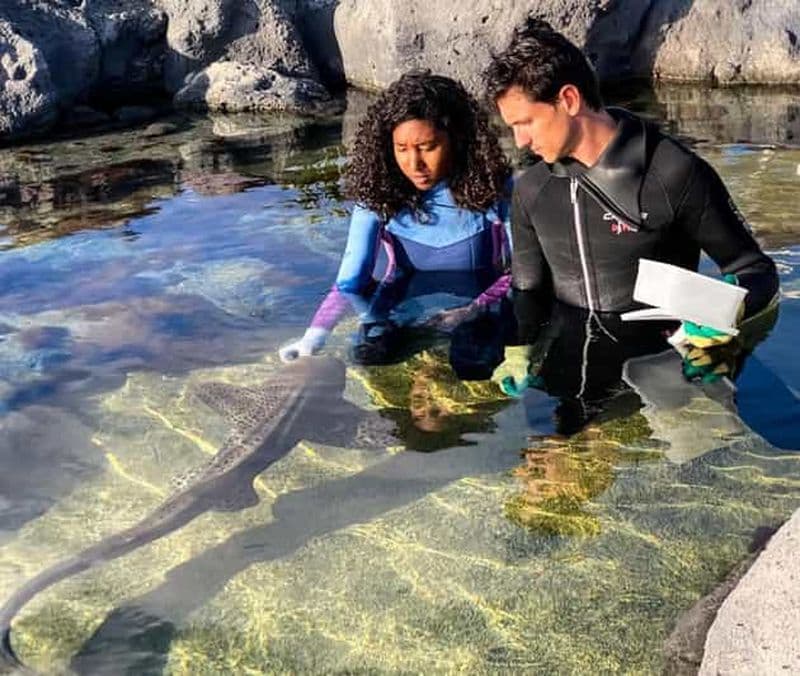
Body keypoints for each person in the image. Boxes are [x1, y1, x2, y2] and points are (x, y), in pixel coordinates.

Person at [483, 18, 779, 382]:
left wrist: (729, 312)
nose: (520, 141)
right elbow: (527, 291)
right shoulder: (531, 189)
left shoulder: (674, 173)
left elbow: (756, 271)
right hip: (566, 373)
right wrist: (520, 349)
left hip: (667, 370)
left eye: (525, 122)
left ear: (569, 100)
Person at [279, 72, 515, 379]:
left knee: (474, 367)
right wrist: (314, 336)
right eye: (401, 148)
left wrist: (475, 309)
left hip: (476, 309)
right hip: (400, 311)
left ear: (457, 139)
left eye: (427, 147)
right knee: (368, 359)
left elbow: (522, 274)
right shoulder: (378, 197)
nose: (414, 164)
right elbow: (349, 282)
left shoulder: (496, 190)